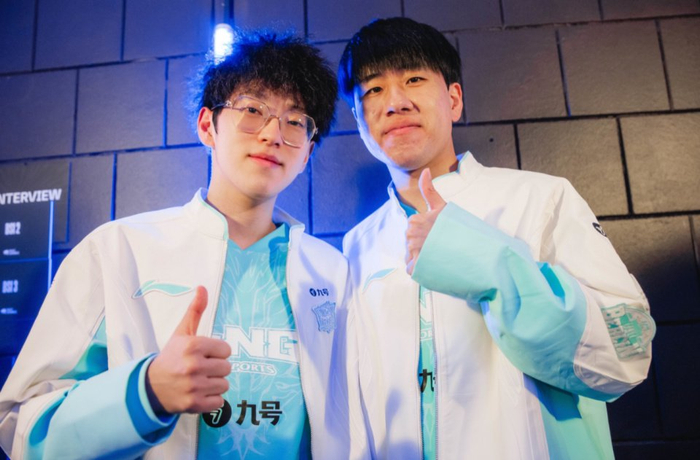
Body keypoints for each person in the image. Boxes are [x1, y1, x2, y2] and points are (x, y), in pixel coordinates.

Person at [0, 30, 366, 459]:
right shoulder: (118, 251)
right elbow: (22, 426)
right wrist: (146, 393)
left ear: (307, 153)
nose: (272, 134)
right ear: (207, 126)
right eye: (252, 110)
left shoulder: (332, 273)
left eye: (295, 121)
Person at [339, 17, 654, 460]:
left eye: (413, 80)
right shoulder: (356, 245)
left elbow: (626, 355)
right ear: (357, 118)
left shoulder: (541, 198)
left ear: (454, 99)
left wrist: (486, 260)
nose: (395, 102)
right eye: (373, 89)